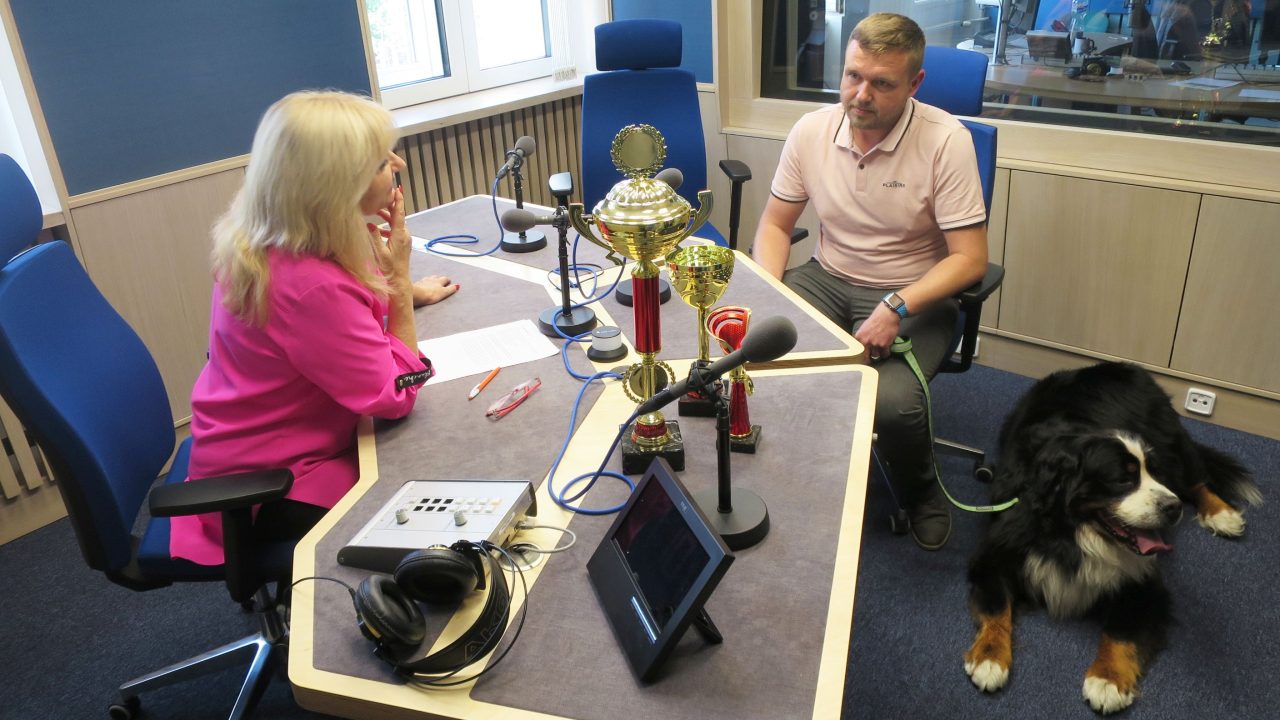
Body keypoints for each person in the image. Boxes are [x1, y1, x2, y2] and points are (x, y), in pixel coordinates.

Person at [169, 91, 459, 565]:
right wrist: (401, 289)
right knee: (436, 502)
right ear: (336, 187)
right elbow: (395, 396)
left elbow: (342, 307)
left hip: (236, 446)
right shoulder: (309, 286)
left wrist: (396, 289)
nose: (398, 165)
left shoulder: (269, 228)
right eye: (380, 161)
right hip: (274, 485)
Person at [752, 14, 988, 551]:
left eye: (882, 83)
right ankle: (795, 466)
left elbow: (971, 260)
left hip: (914, 292)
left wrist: (896, 305)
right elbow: (775, 226)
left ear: (914, 83)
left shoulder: (945, 141)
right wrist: (768, 289)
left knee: (892, 403)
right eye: (853, 76)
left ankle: (921, 493)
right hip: (826, 276)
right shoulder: (811, 130)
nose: (861, 95)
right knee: (758, 354)